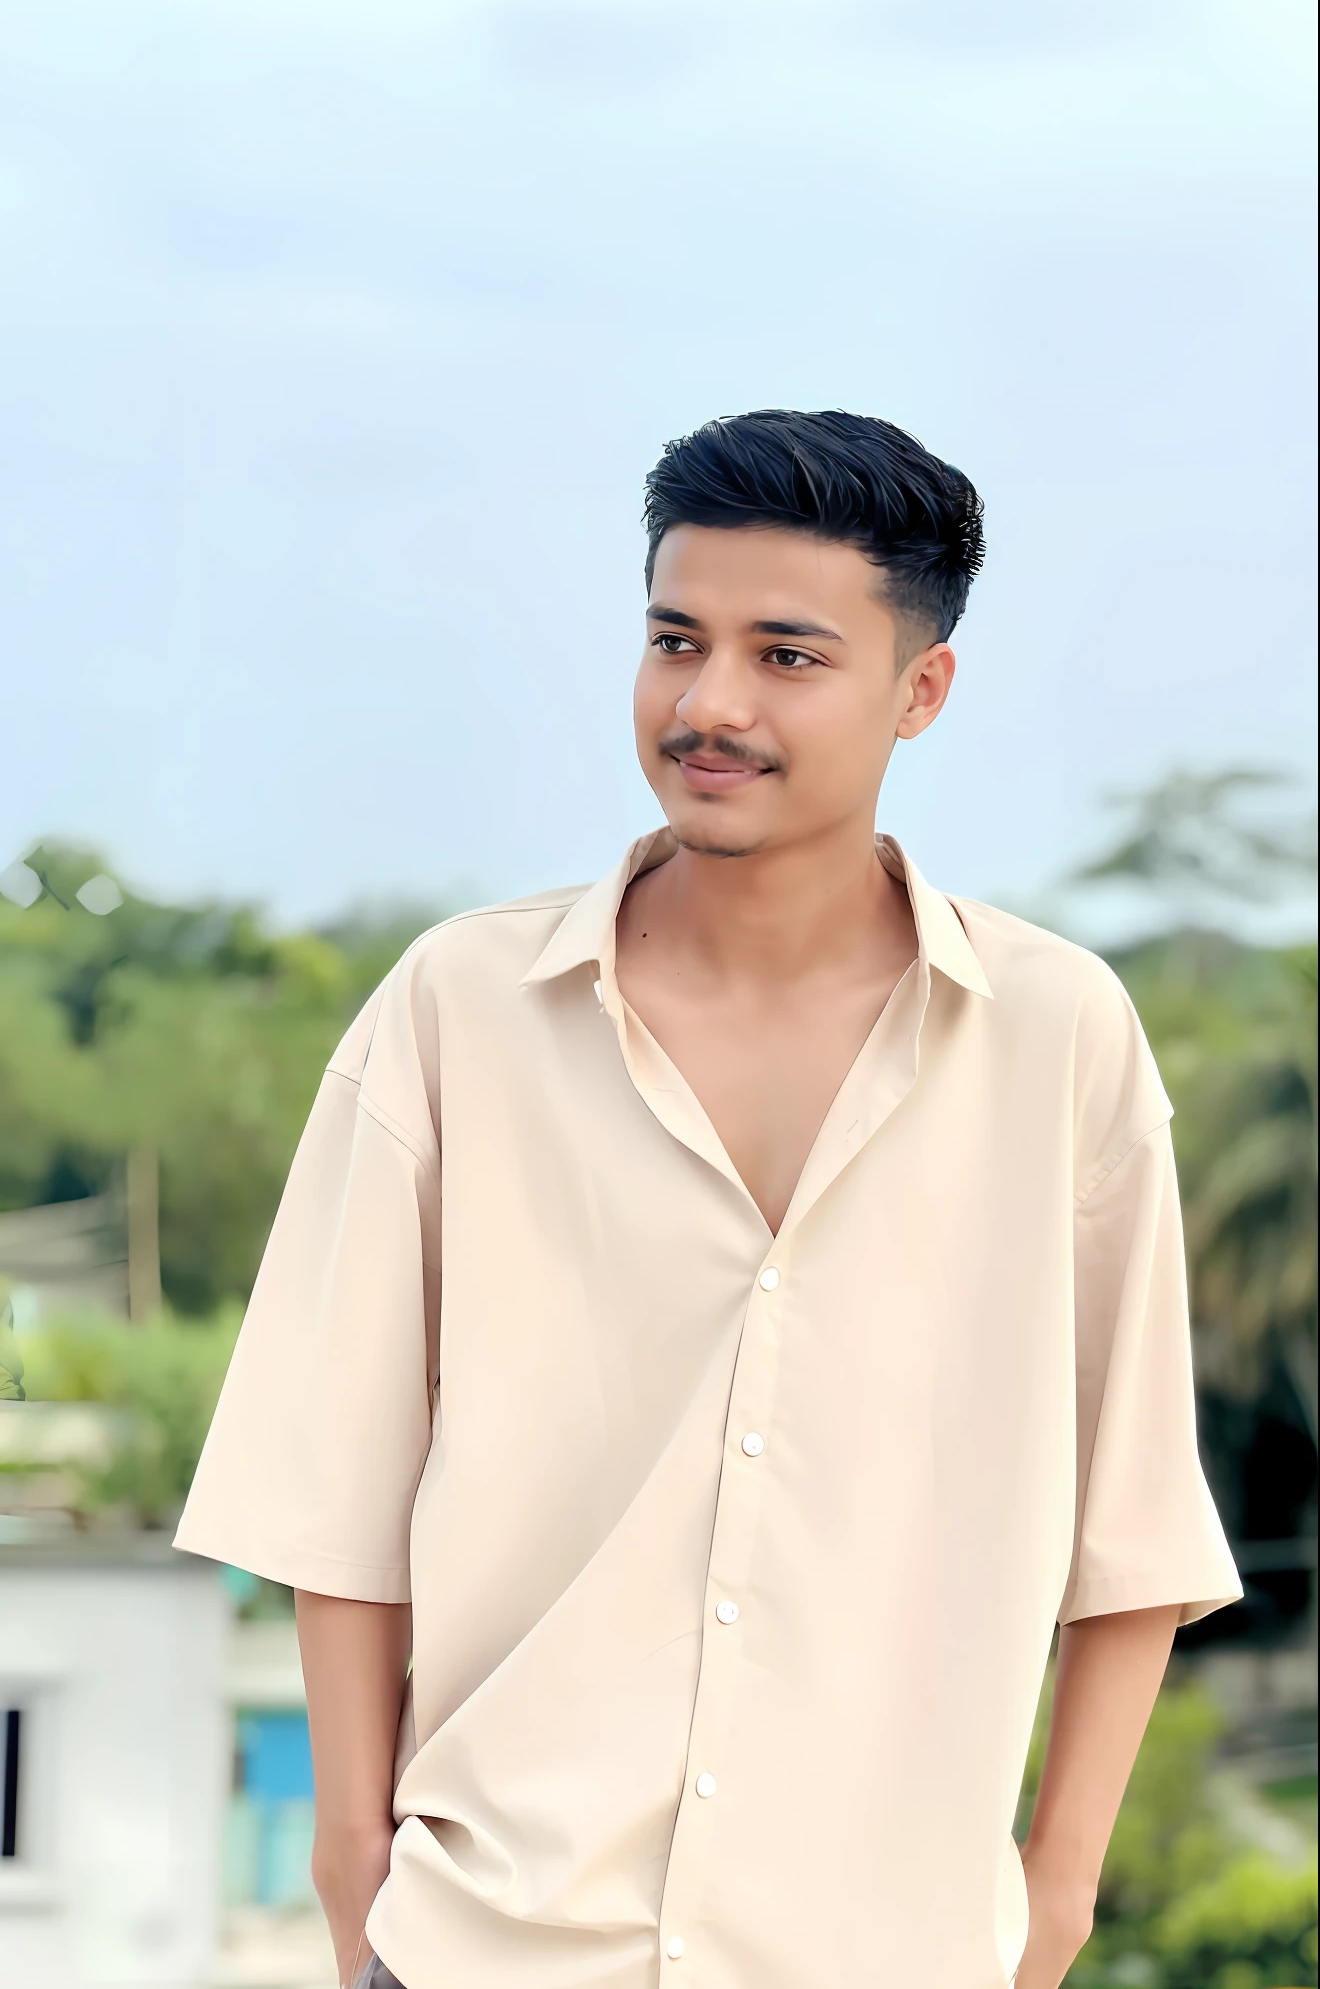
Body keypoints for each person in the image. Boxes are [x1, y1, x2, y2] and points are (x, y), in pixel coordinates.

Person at [175, 409, 1240, 1989]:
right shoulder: (457, 1009)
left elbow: (1133, 1520)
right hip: (494, 1939)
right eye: (677, 639)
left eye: (787, 656)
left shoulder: (1057, 1037)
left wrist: (1056, 1894)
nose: (710, 704)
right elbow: (336, 1479)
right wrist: (353, 1862)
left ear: (921, 690)